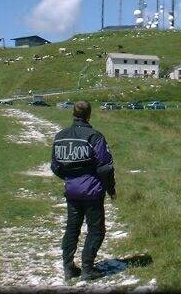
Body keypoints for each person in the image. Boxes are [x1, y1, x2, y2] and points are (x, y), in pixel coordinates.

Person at [50, 100, 116, 281]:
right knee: (96, 230)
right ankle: (87, 269)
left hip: (71, 191)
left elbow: (55, 166)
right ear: (89, 115)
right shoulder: (95, 137)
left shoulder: (60, 136)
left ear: (73, 114)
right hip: (92, 192)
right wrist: (111, 189)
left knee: (72, 228)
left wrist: (70, 179)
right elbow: (106, 168)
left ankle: (68, 268)